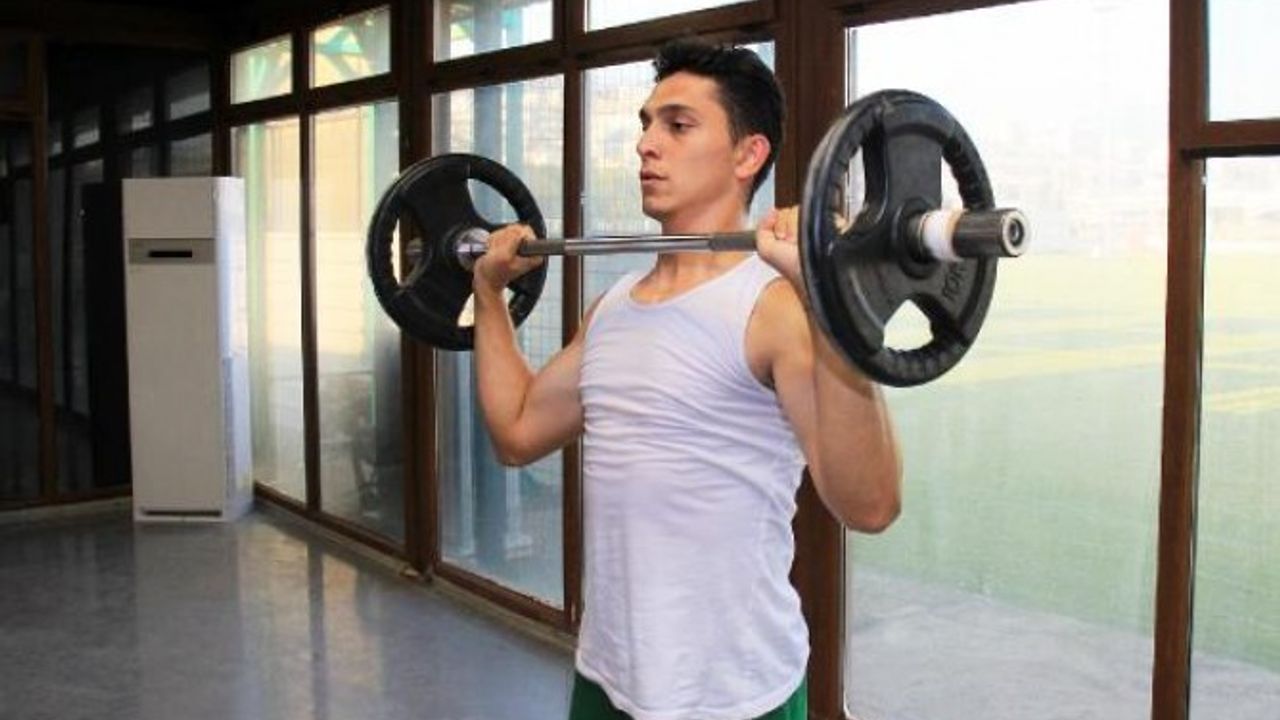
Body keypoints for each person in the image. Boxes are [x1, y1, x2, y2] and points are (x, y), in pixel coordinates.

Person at [470, 38, 902, 720]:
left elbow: (870, 505)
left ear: (747, 155)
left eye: (678, 125)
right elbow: (517, 432)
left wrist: (830, 305)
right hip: (607, 677)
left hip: (735, 696)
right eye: (646, 124)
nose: (646, 144)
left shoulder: (777, 309)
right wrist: (488, 294)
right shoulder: (614, 309)